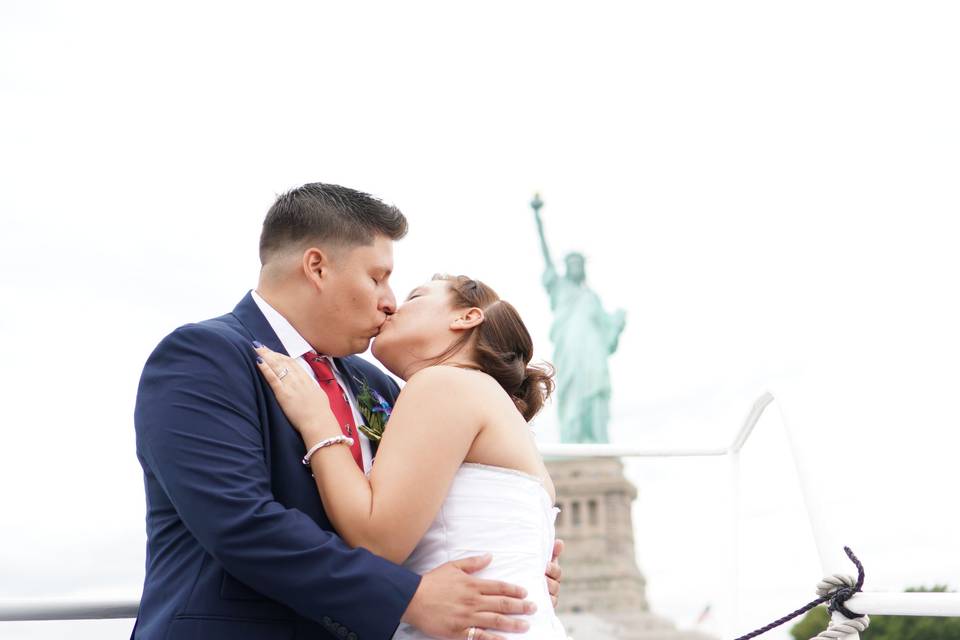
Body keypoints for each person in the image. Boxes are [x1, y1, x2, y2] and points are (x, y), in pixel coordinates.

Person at [133, 183, 562, 640]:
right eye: (377, 277)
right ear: (316, 267)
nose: (389, 301)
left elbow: (424, 505)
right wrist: (410, 597)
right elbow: (240, 523)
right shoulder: (203, 356)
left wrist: (516, 567)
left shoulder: (382, 386)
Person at [253, 273, 568, 639]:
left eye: (414, 297)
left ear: (466, 317)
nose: (390, 308)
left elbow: (376, 542)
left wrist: (318, 421)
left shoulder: (444, 383)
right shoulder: (493, 406)